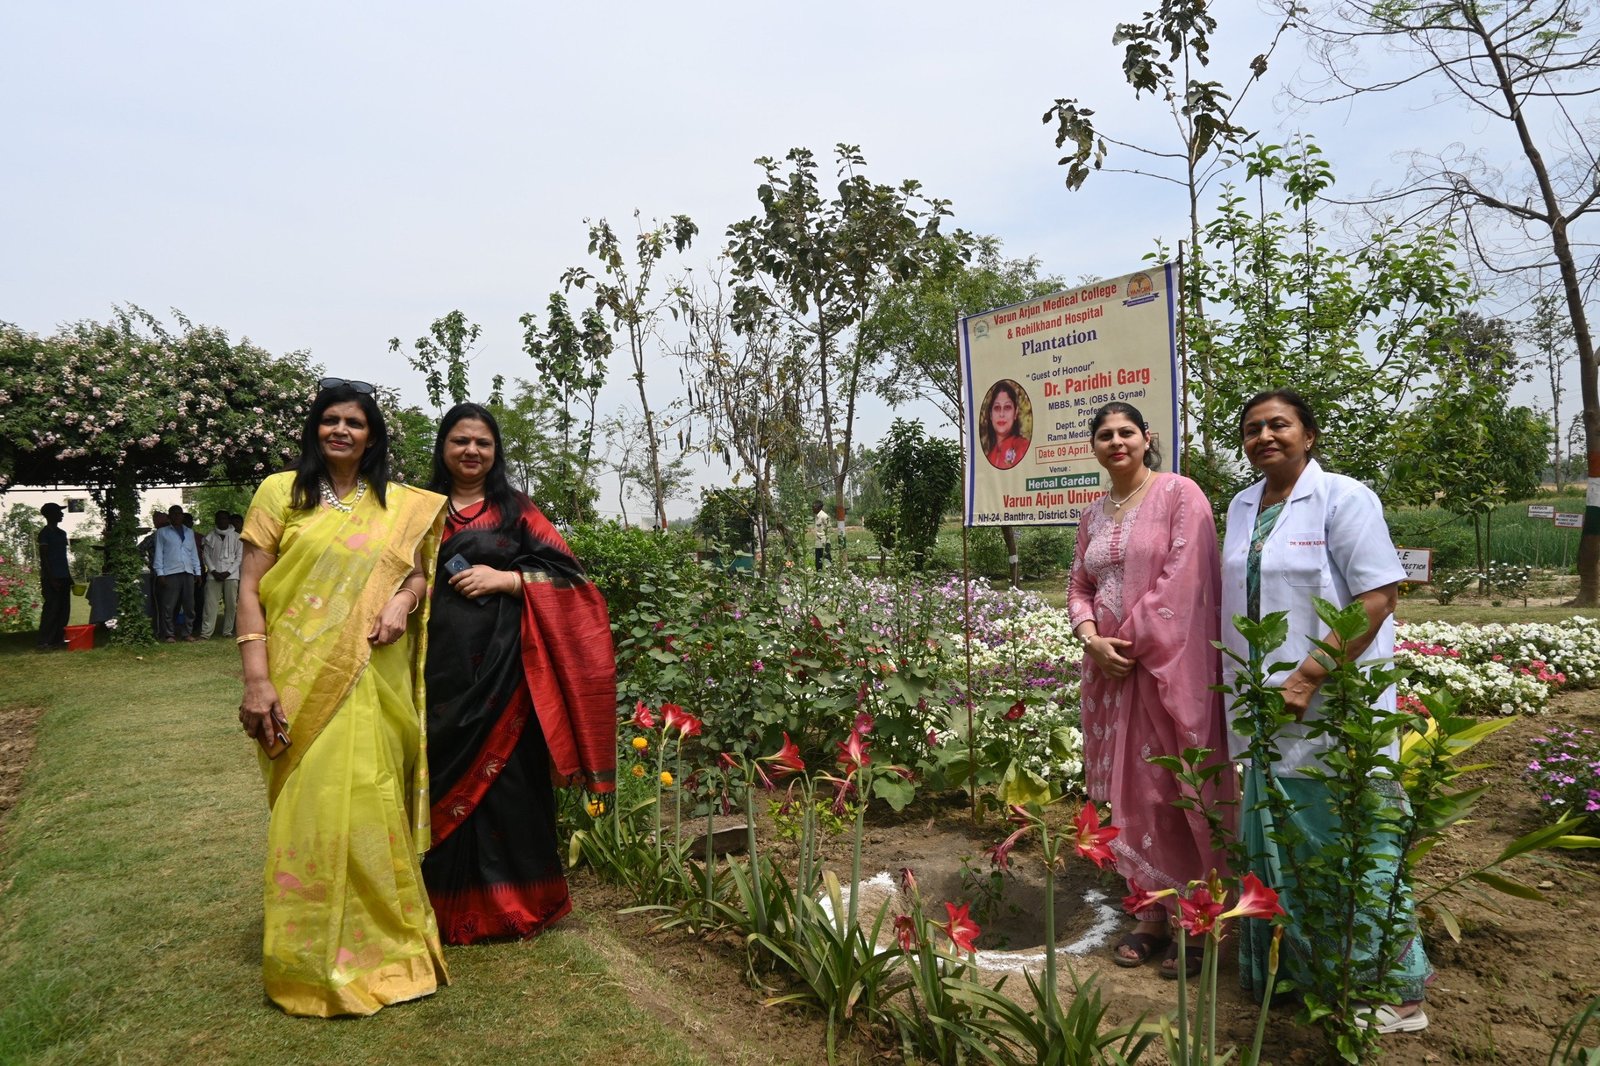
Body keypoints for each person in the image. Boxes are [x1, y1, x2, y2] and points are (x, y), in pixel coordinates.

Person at [235, 377, 449, 1016]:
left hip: (371, 675)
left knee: (369, 798)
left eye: (354, 423)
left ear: (371, 436)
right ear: (315, 429)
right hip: (298, 678)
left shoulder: (397, 504)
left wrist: (403, 603)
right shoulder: (281, 492)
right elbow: (249, 587)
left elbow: (416, 576)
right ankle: (305, 956)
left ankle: (386, 947)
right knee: (311, 805)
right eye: (331, 420)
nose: (341, 431)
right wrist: (257, 679)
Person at [1219, 389, 1430, 1034]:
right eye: (1252, 428)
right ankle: (1298, 975)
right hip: (1263, 703)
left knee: (1352, 841)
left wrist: (1310, 674)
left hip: (1335, 703)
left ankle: (1395, 993)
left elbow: (1378, 596)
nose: (1263, 436)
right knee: (1282, 839)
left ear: (1308, 435)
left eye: (1278, 424)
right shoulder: (1242, 505)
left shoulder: (1344, 497)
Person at [421, 403, 617, 943]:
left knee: (511, 787)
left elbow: (575, 583)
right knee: (441, 774)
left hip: (509, 676)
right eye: (460, 440)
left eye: (482, 443)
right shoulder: (420, 510)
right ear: (443, 447)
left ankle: (521, 905)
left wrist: (507, 580)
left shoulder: (517, 510)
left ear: (495, 451)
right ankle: (438, 906)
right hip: (438, 674)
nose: (471, 451)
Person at [1067, 401, 1235, 978]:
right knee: (1134, 794)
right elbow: (1079, 586)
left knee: (1176, 785)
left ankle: (1199, 916)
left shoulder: (1180, 494)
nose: (1116, 442)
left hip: (1169, 667)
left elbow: (1184, 577)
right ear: (1094, 447)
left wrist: (1128, 641)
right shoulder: (1091, 514)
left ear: (1147, 438)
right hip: (1111, 675)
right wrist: (1092, 639)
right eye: (1105, 435)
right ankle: (1149, 914)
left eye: (1126, 432)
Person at [152, 503, 202, 642]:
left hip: (188, 571)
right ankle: (169, 634)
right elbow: (158, 554)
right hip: (170, 572)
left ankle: (187, 633)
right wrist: (160, 573)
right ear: (169, 517)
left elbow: (193, 553)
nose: (177, 516)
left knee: (189, 605)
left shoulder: (189, 532)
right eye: (174, 514)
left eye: (179, 514)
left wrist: (197, 572)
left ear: (182, 516)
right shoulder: (162, 532)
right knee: (169, 606)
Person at [200, 510, 242, 638]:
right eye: (219, 518)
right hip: (214, 575)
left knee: (231, 605)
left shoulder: (237, 537)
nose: (222, 521)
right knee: (210, 605)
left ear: (228, 520)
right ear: (216, 520)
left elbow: (239, 558)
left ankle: (227, 631)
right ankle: (206, 633)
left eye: (224, 518)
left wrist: (228, 572)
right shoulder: (210, 536)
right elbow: (206, 555)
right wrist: (213, 571)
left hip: (232, 575)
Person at [36, 502, 71, 650]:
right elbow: (44, 558)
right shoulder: (44, 534)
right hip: (51, 577)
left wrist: (69, 576)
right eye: (58, 511)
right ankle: (44, 641)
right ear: (50, 515)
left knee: (64, 609)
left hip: (64, 576)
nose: (61, 514)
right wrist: (51, 579)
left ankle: (58, 639)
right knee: (52, 609)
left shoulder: (62, 533)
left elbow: (63, 557)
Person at [981, 380, 1030, 470]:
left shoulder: (1024, 448)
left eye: (1007, 407)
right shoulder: (988, 458)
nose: (1001, 414)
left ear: (1015, 413)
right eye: (997, 408)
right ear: (991, 415)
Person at [812, 499, 832, 571]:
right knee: (818, 560)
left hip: (824, 542)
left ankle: (829, 573)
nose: (812, 509)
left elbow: (829, 528)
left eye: (814, 507)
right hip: (818, 542)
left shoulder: (824, 516)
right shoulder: (817, 516)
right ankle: (819, 574)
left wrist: (826, 540)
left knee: (827, 559)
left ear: (819, 507)